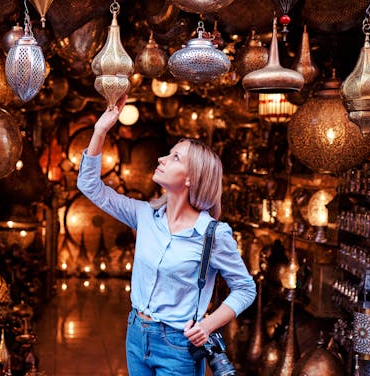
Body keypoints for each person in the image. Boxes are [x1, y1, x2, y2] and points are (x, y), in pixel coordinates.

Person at [77, 95, 256, 376]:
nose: (161, 158)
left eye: (174, 157)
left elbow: (245, 288)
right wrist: (100, 130)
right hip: (136, 334)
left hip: (178, 345)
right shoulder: (145, 215)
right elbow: (89, 185)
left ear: (190, 178)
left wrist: (208, 325)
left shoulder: (213, 234)